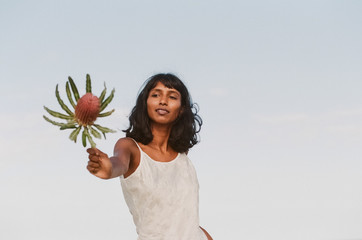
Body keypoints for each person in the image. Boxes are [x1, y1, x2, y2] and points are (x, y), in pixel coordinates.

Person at [86, 73, 213, 240]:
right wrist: (108, 168)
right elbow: (118, 163)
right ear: (145, 103)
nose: (163, 100)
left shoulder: (182, 155)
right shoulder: (130, 147)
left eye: (172, 96)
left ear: (181, 109)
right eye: (156, 94)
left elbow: (185, 220)